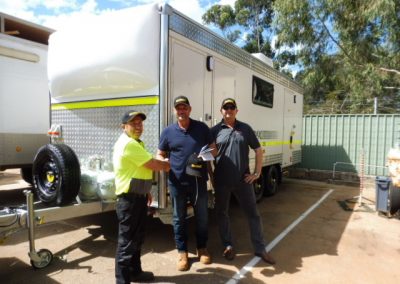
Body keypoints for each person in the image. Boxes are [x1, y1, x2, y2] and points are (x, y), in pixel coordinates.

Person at [210, 98, 276, 265]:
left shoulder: (245, 128)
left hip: (243, 181)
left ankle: (260, 248)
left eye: (232, 107)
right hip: (222, 181)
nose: (229, 110)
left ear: (236, 111)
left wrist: (257, 172)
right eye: (226, 107)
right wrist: (212, 177)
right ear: (221, 111)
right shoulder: (214, 131)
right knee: (222, 214)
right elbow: (208, 157)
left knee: (253, 215)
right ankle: (228, 245)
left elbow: (258, 151)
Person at [156, 96, 216, 271]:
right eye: (178, 108)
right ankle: (182, 252)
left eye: (184, 108)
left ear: (190, 109)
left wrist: (204, 155)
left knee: (202, 217)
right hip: (177, 182)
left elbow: (214, 149)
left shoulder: (202, 128)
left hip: (198, 181)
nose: (181, 111)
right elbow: (160, 153)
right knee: (178, 218)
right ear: (175, 111)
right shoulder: (168, 132)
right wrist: (164, 164)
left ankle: (202, 248)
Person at [113, 110, 170, 284]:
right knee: (127, 242)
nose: (138, 126)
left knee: (137, 237)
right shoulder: (128, 144)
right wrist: (168, 164)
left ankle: (135, 272)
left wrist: (145, 192)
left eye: (140, 123)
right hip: (128, 201)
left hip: (136, 197)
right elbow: (151, 164)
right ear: (124, 126)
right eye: (133, 123)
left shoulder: (136, 143)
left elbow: (139, 169)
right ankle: (122, 281)